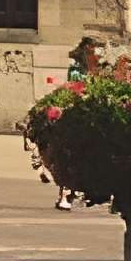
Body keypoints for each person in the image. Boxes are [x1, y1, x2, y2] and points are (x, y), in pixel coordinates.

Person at [54, 36, 102, 208]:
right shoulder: (76, 67)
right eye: (94, 47)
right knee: (72, 152)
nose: (96, 51)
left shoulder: (97, 64)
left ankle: (86, 190)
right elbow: (76, 86)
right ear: (88, 47)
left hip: (93, 110)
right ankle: (66, 193)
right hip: (78, 109)